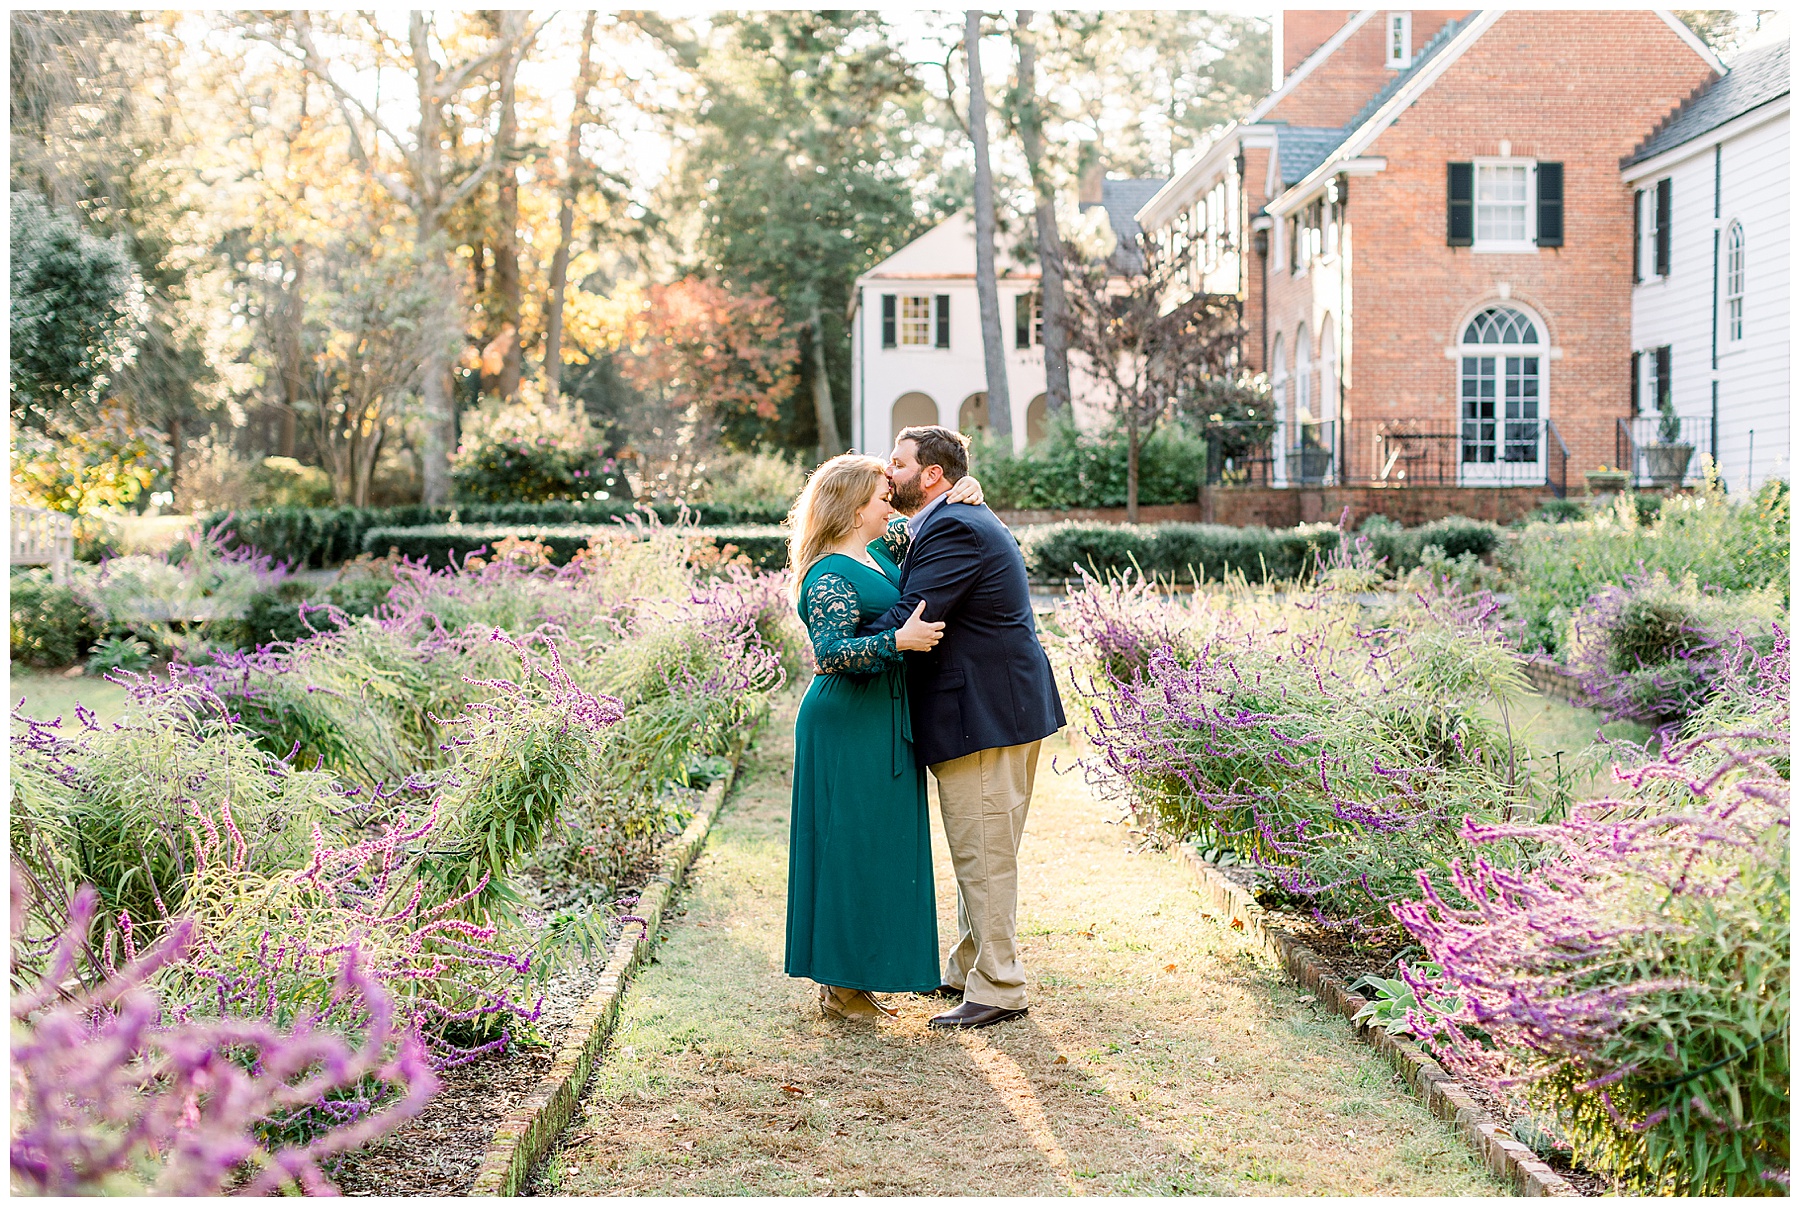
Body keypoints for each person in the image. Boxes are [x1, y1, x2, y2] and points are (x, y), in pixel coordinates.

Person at [859, 425, 1066, 1030]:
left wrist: (842, 640)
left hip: (984, 713)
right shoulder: (949, 518)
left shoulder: (954, 526)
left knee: (984, 853)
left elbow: (914, 615)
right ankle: (969, 967)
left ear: (931, 476)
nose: (887, 472)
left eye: (897, 464)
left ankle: (1000, 986)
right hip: (996, 708)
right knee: (983, 847)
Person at [783, 453, 987, 1021]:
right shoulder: (829, 573)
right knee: (848, 846)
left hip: (885, 717)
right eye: (880, 498)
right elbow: (830, 653)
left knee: (880, 845)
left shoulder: (879, 549)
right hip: (847, 722)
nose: (890, 505)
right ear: (854, 510)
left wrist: (965, 488)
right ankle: (841, 987)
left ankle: (860, 975)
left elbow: (931, 521)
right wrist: (898, 641)